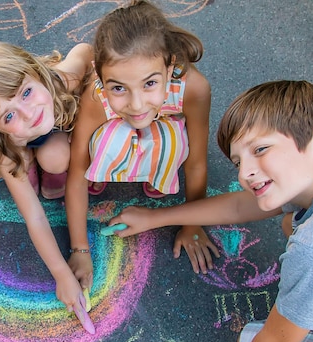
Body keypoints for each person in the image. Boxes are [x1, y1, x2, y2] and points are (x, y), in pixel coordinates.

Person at [110, 80, 313, 342]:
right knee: (290, 222)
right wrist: (155, 218)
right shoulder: (309, 175)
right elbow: (240, 207)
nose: (244, 173)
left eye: (260, 149)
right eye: (239, 162)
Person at [66, 0, 216, 297]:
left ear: (170, 67)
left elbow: (196, 163)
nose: (136, 103)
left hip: (161, 130)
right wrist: (80, 249)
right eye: (118, 87)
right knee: (106, 142)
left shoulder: (194, 89)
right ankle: (107, 168)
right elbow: (77, 174)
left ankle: (157, 173)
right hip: (114, 134)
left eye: (149, 83)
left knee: (175, 142)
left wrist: (192, 224)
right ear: (99, 75)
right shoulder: (97, 98)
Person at [0, 38, 94, 313]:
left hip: (62, 128)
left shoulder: (64, 80)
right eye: (8, 116)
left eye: (25, 93)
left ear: (36, 73)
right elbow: (35, 215)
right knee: (12, 159)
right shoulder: (4, 145)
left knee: (55, 158)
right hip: (24, 142)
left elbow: (84, 50)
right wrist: (61, 274)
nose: (28, 114)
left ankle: (48, 168)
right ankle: (27, 162)